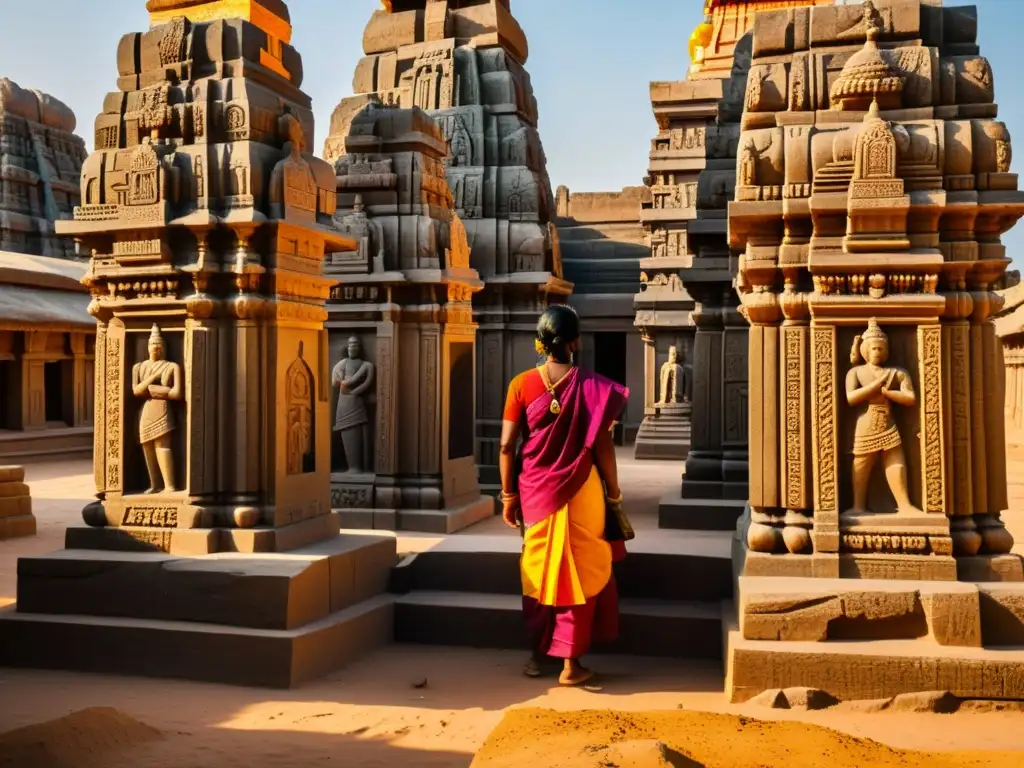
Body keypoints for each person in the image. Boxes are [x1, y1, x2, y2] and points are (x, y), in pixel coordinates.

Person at [498, 306, 630, 686]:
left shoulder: (521, 385)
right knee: (579, 568)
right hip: (582, 489)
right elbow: (603, 447)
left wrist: (508, 497)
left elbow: (507, 445)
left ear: (540, 342)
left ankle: (538, 655)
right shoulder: (592, 385)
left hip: (535, 492)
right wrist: (615, 494)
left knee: (539, 570)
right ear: (575, 341)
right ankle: (571, 663)